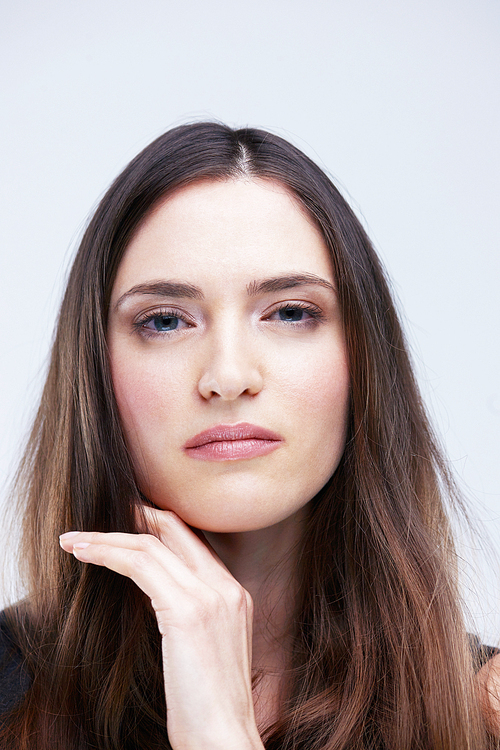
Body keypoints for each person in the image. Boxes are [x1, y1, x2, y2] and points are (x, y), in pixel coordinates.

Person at [0, 122, 499, 749]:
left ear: (362, 360)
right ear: (96, 373)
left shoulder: (485, 711)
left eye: (290, 312)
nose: (228, 376)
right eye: (163, 320)